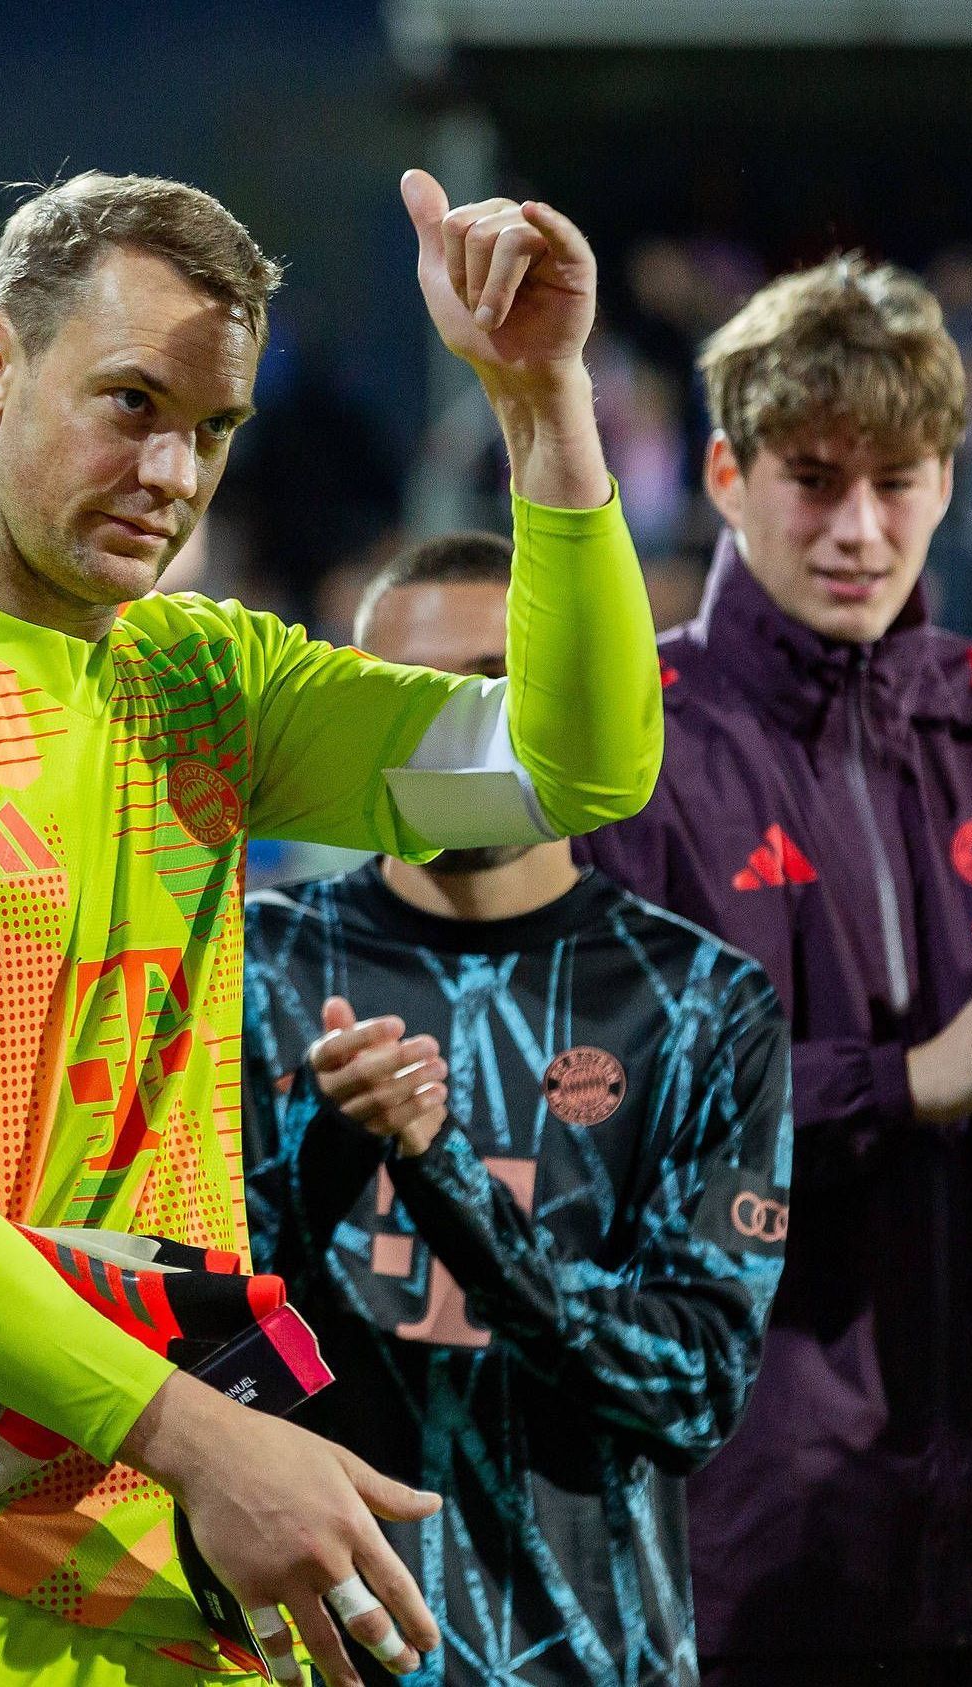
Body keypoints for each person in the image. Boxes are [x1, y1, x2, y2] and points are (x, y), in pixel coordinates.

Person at [0, 168, 662, 1687]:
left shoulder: (207, 683)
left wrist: (541, 405)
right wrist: (206, 1435)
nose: (171, 468)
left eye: (211, 428)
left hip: (196, 1576)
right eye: (129, 401)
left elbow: (567, 767)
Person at [576, 258, 972, 1686]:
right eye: (814, 477)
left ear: (949, 480)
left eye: (900, 481)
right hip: (752, 1558)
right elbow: (588, 1121)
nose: (860, 527)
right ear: (726, 473)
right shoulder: (624, 749)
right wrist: (908, 1082)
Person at [242, 532, 791, 1686]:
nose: (459, 726)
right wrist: (334, 1145)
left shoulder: (701, 1004)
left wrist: (438, 1170)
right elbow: (198, 1343)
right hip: (303, 1658)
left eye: (497, 683)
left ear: (567, 707)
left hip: (595, 1660)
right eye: (415, 694)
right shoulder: (253, 965)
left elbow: (692, 1389)